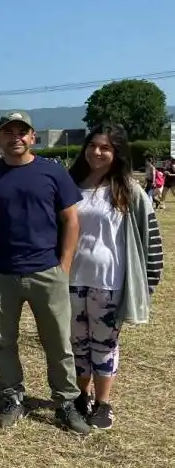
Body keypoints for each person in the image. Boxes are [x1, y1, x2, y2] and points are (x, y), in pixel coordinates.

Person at [0, 111, 90, 434]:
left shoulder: (53, 173)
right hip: (0, 272)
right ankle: (13, 395)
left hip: (46, 271)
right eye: (8, 133)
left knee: (57, 340)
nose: (15, 138)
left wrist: (63, 266)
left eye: (21, 132)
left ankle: (65, 401)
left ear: (32, 137)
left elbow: (71, 220)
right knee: (3, 340)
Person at [67, 124, 163, 429]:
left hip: (109, 282)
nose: (97, 152)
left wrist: (148, 284)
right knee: (76, 343)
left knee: (104, 344)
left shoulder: (129, 190)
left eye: (105, 148)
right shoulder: (70, 184)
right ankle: (81, 397)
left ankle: (104, 403)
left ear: (116, 153)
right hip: (71, 280)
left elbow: (152, 241)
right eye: (93, 145)